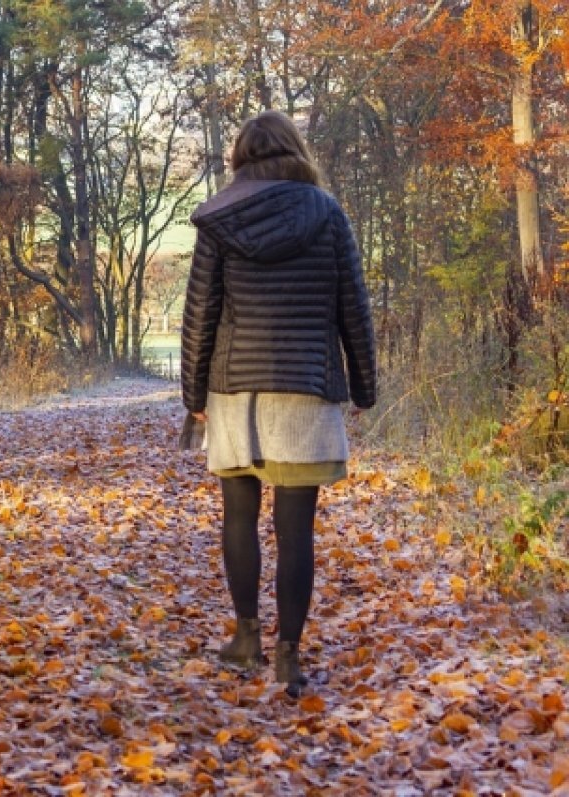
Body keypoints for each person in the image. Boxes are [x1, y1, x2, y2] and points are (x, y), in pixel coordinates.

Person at [180, 110, 377, 697]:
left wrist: (195, 399)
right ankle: (288, 655)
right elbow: (353, 308)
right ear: (297, 150)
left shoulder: (219, 218)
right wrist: (364, 387)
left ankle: (246, 639)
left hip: (235, 390)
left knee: (238, 516)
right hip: (306, 389)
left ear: (240, 156)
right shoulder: (328, 213)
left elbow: (200, 316)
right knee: (297, 531)